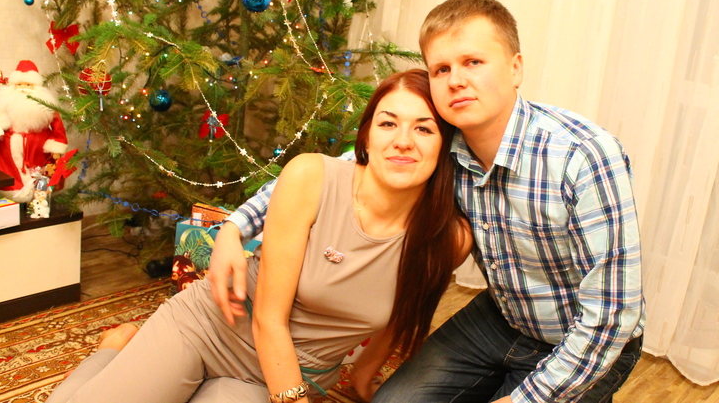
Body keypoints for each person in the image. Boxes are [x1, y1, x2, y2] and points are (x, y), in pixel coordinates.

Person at [215, 0, 645, 402]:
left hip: (587, 337)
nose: (456, 80)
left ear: (515, 68)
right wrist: (236, 227)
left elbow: (612, 316)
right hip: (504, 318)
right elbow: (341, 171)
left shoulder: (583, 156)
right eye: (441, 69)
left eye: (473, 62)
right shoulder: (439, 141)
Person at [47, 69, 472, 403]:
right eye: (388, 123)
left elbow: (404, 311)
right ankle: (112, 350)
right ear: (367, 135)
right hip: (210, 328)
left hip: (285, 374)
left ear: (446, 145)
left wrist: (364, 376)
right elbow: (270, 319)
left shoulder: (448, 237)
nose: (402, 142)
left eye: (424, 129)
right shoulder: (312, 177)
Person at [0, 60, 68, 202]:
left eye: (28, 85)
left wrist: (57, 146)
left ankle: (39, 199)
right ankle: (15, 192)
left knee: (39, 173)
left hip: (38, 148)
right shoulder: (5, 101)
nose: (23, 88)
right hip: (9, 147)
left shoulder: (45, 103)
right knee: (11, 171)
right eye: (19, 85)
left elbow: (57, 126)